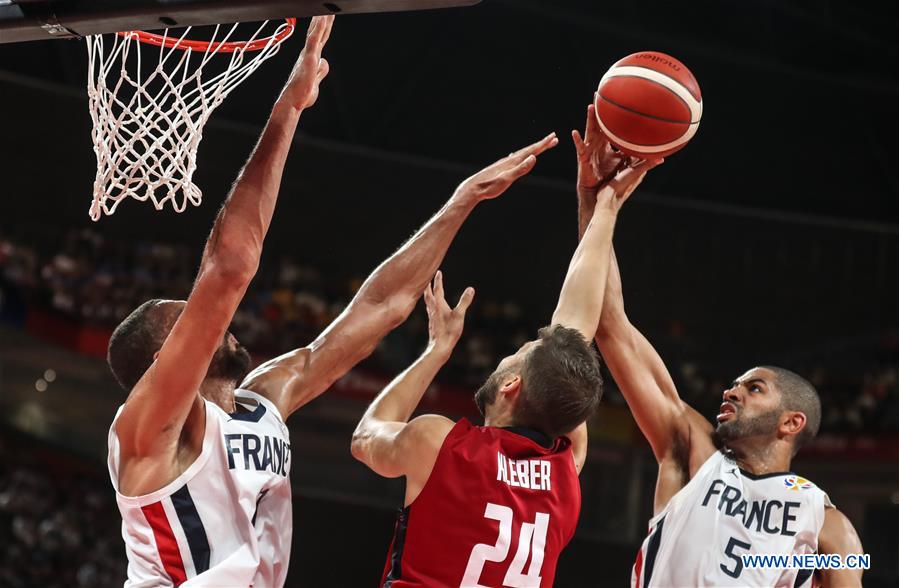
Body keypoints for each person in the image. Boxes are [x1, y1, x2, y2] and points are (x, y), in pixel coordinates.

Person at [105, 15, 559, 587]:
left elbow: (379, 310)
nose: (214, 322)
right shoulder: (144, 432)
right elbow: (229, 269)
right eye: (188, 318)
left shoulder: (262, 400)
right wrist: (287, 112)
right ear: (160, 361)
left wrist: (459, 204)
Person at [572, 102, 865, 587]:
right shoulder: (692, 450)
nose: (731, 392)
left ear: (792, 422)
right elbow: (609, 323)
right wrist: (596, 201)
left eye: (754, 388)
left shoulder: (829, 527)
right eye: (735, 385)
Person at [351, 157, 657, 587]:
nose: (510, 354)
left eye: (519, 353)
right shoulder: (564, 476)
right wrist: (605, 205)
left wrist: (435, 351)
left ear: (512, 384)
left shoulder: (439, 444)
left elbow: (366, 436)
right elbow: (575, 329)